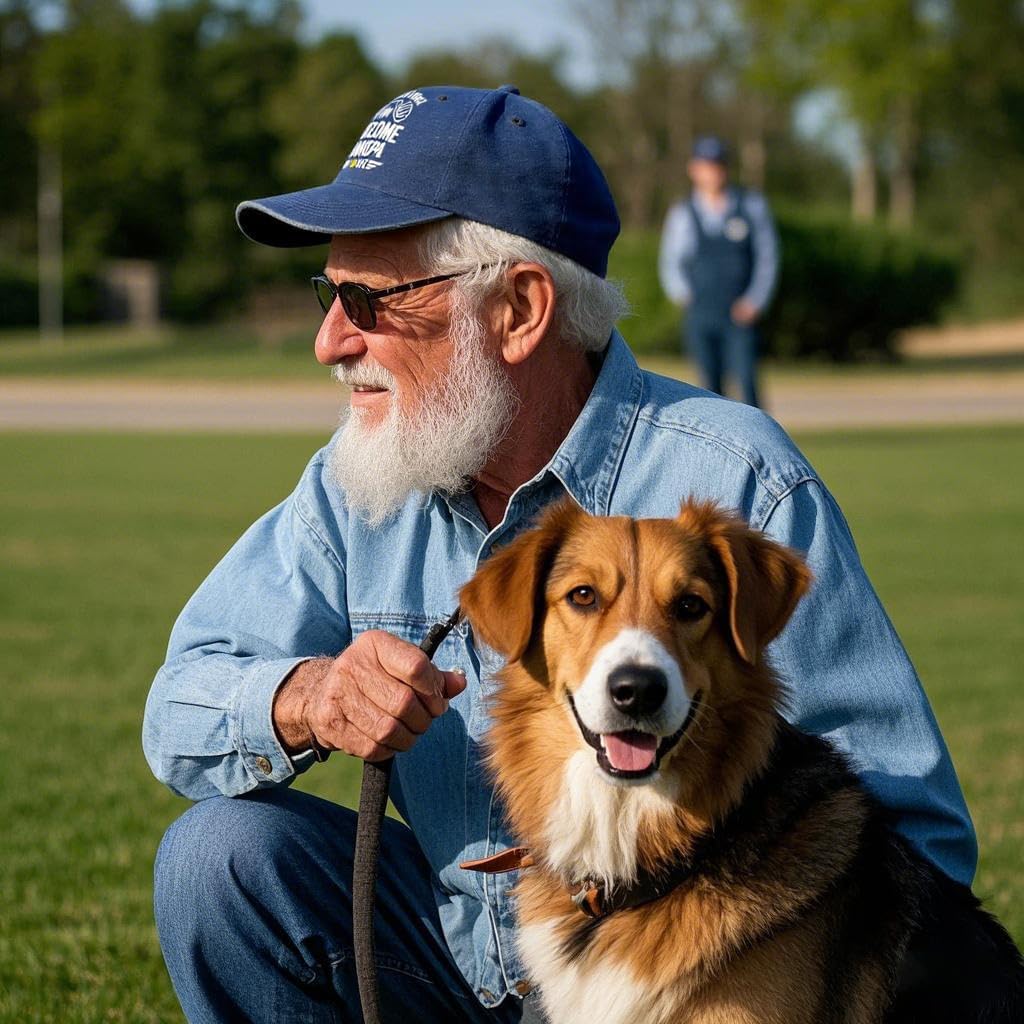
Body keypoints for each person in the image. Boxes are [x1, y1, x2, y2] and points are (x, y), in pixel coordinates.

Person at [144, 86, 975, 1024]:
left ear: (519, 310)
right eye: (327, 295)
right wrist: (307, 696)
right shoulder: (356, 483)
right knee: (218, 859)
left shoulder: (742, 480)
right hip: (452, 958)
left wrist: (701, 960)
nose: (329, 341)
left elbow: (915, 844)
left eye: (367, 300)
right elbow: (177, 708)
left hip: (686, 976)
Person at [658, 135, 779, 408]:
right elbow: (671, 261)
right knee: (709, 392)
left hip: (740, 312)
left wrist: (755, 301)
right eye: (706, 166)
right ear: (694, 170)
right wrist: (683, 295)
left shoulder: (750, 205)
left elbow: (767, 258)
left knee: (748, 385)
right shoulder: (683, 212)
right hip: (702, 311)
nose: (713, 173)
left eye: (718, 165)